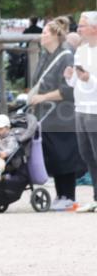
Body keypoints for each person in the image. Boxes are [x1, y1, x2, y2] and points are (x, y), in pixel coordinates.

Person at [28, 17, 84, 210]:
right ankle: (60, 194)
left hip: (63, 115)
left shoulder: (66, 56)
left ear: (54, 36)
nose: (42, 36)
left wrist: (43, 98)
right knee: (54, 155)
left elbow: (67, 90)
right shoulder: (45, 56)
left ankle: (69, 195)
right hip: (46, 116)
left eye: (45, 33)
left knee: (65, 155)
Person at [64, 11, 97, 212]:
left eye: (82, 25)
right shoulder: (81, 51)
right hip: (81, 108)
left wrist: (89, 79)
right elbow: (76, 81)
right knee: (87, 155)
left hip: (96, 109)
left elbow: (88, 80)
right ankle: (95, 195)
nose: (78, 29)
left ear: (94, 28)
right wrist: (71, 77)